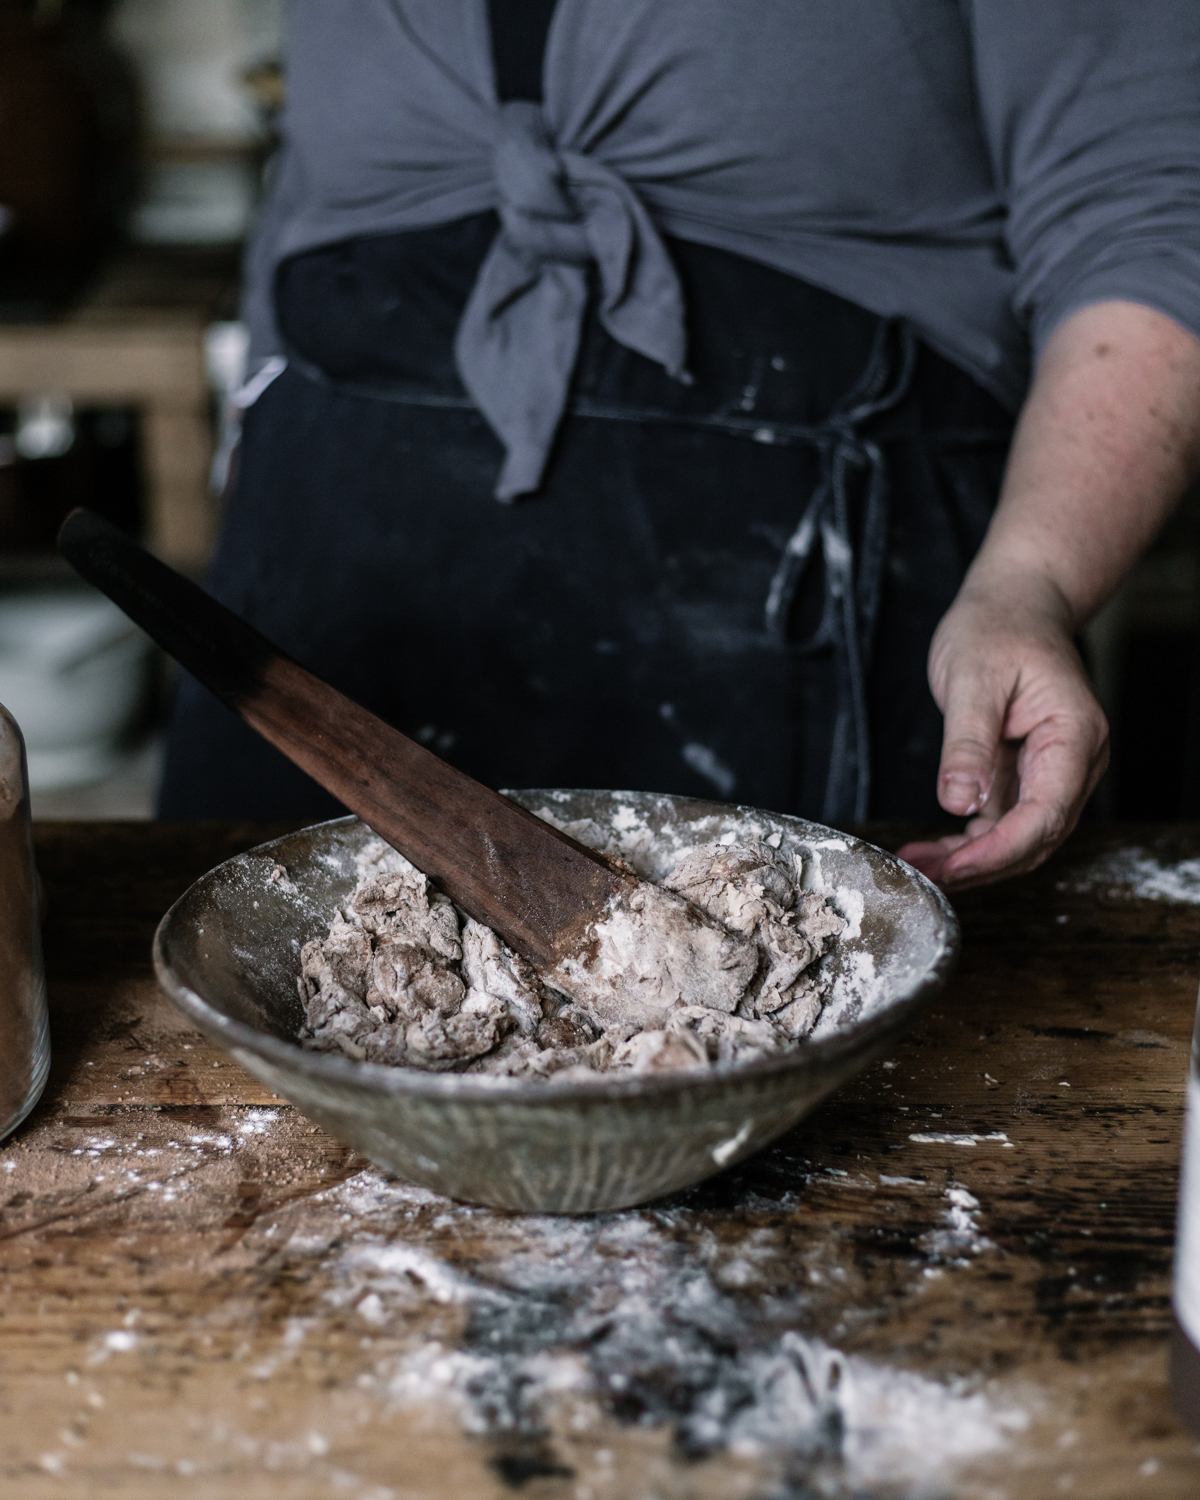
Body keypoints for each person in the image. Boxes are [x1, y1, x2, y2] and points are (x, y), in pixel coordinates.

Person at [158, 0, 1200, 892]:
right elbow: (313, 186)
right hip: (327, 578)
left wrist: (1035, 580)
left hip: (805, 592)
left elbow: (1146, 207)